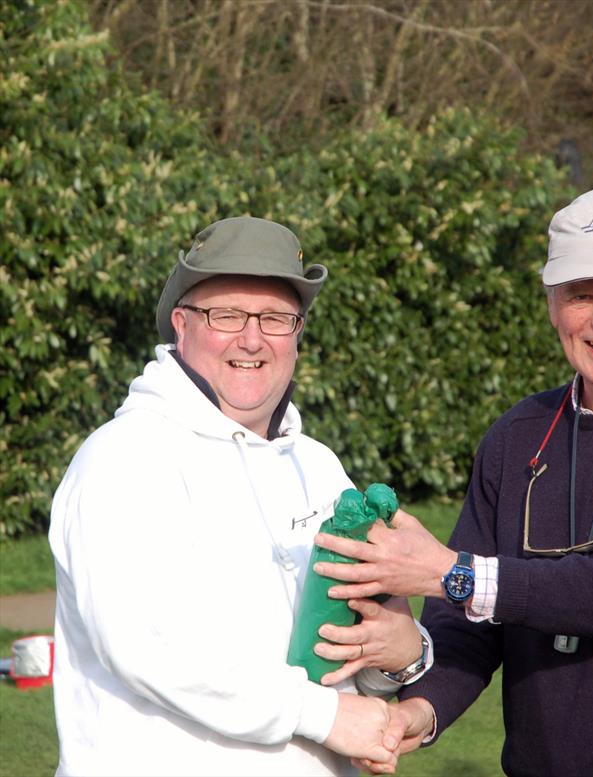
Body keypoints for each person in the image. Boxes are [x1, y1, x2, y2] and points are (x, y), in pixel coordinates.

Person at [313, 188, 593, 776]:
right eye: (581, 296)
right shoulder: (516, 436)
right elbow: (470, 625)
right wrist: (419, 714)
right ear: (552, 306)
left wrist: (447, 573)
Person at [48, 216, 433, 777]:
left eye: (276, 318)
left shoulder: (318, 465)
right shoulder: (123, 458)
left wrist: (399, 657)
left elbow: (348, 643)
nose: (252, 339)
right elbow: (150, 648)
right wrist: (323, 715)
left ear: (298, 333)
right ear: (182, 325)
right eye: (227, 315)